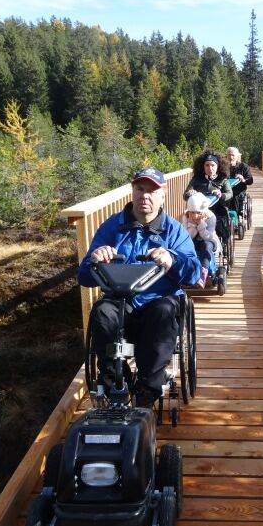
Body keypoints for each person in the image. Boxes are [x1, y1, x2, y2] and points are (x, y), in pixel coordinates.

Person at [77, 167, 201, 408]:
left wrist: (173, 259)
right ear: (132, 192)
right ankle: (116, 382)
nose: (145, 195)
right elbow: (83, 276)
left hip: (159, 302)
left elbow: (195, 273)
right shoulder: (113, 227)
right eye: (140, 189)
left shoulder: (174, 231)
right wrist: (95, 259)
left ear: (162, 195)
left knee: (164, 310)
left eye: (152, 190)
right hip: (120, 302)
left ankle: (147, 387)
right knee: (102, 312)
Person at [183, 150, 233, 230]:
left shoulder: (223, 180)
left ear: (218, 166)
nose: (210, 168)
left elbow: (229, 194)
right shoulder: (196, 179)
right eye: (207, 165)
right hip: (198, 213)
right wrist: (190, 193)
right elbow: (185, 195)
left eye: (213, 165)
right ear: (203, 167)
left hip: (218, 211)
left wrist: (221, 194)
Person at [182, 191, 222, 288]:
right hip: (193, 239)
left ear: (203, 211)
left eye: (198, 213)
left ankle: (203, 273)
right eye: (193, 213)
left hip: (209, 240)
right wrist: (193, 226)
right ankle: (187, 271)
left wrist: (200, 225)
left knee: (206, 245)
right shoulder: (186, 216)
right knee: (185, 247)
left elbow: (208, 237)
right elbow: (187, 236)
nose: (195, 216)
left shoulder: (211, 217)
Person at [226, 146, 253, 214]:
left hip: (238, 191)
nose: (231, 157)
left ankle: (235, 218)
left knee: (234, 196)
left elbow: (250, 180)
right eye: (229, 155)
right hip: (225, 190)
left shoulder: (243, 167)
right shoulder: (223, 166)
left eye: (233, 155)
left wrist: (243, 179)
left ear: (237, 156)